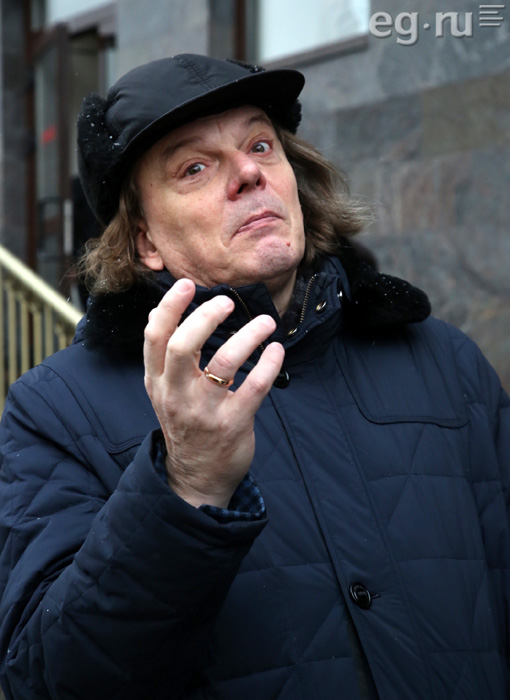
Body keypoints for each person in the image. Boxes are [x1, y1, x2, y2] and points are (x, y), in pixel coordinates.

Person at [0, 53, 508, 700]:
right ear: (145, 241)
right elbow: (48, 680)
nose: (248, 173)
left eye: (261, 144)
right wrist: (188, 486)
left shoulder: (443, 361)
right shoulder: (56, 411)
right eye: (194, 167)